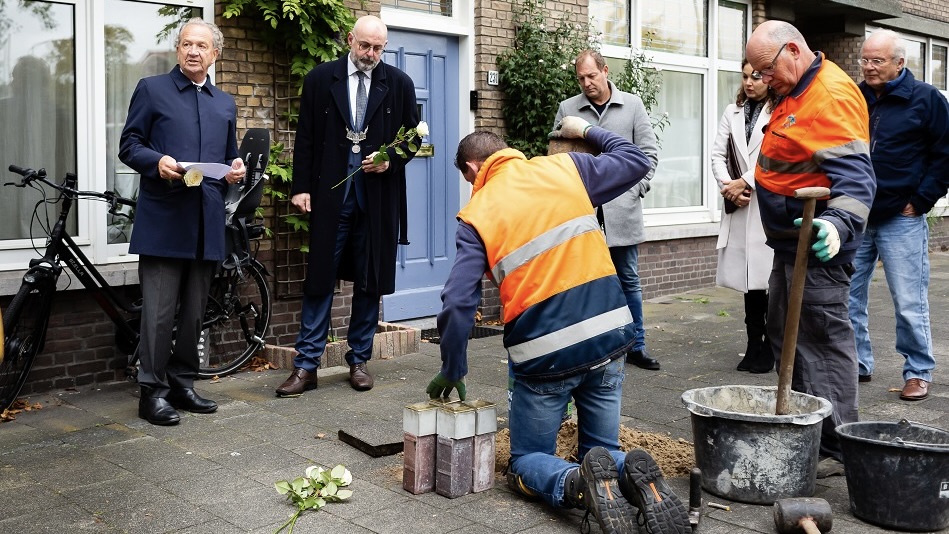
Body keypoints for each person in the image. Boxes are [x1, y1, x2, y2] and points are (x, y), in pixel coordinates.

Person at [428, 117, 689, 534]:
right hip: (610, 338)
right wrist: (587, 130)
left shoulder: (476, 214)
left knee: (525, 460)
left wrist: (453, 367)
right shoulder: (566, 169)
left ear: (473, 169)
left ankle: (576, 485)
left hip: (546, 355)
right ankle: (630, 473)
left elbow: (458, 302)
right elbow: (637, 160)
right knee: (601, 450)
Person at [745, 20, 876, 478]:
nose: (763, 81)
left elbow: (858, 180)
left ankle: (840, 448)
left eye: (766, 71)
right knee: (788, 337)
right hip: (789, 246)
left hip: (816, 249)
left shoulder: (831, 96)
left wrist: (837, 225)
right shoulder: (795, 90)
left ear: (794, 51)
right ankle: (810, 430)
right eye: (758, 73)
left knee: (821, 339)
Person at [276, 15, 419, 396]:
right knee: (320, 277)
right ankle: (306, 366)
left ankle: (359, 360)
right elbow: (305, 137)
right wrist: (301, 187)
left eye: (378, 48)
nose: (370, 54)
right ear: (350, 40)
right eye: (364, 46)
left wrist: (391, 159)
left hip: (377, 200)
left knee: (369, 281)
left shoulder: (399, 84)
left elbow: (414, 139)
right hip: (330, 197)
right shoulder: (322, 79)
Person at [119, 18, 246, 425]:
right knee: (158, 311)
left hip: (206, 220)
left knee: (193, 310)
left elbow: (226, 160)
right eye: (186, 44)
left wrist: (234, 169)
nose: (193, 51)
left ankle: (182, 383)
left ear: (215, 54)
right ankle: (151, 392)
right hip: (163, 216)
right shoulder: (151, 90)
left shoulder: (224, 102)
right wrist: (156, 161)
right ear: (178, 50)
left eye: (201, 46)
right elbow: (129, 146)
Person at [848, 29, 949, 400]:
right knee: (846, 297)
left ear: (899, 63)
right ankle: (856, 362)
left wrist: (921, 200)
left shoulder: (926, 99)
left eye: (877, 61)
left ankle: (918, 370)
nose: (869, 67)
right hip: (855, 215)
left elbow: (945, 155)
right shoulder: (854, 98)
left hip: (901, 217)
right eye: (865, 59)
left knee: (908, 301)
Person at [554, 50, 661, 371]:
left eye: (592, 76)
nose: (587, 83)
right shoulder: (568, 109)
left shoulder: (632, 106)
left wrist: (634, 190)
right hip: (582, 213)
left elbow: (649, 155)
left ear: (605, 71)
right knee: (584, 282)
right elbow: (558, 158)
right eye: (581, 79)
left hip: (622, 213)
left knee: (628, 280)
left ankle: (637, 346)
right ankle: (593, 346)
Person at [710, 60, 777, 374]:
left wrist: (745, 182)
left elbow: (775, 155)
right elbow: (717, 155)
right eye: (746, 76)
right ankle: (754, 345)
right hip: (740, 204)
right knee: (751, 284)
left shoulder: (780, 111)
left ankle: (770, 345)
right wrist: (729, 187)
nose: (750, 82)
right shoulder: (731, 110)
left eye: (757, 76)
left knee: (769, 279)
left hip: (766, 203)